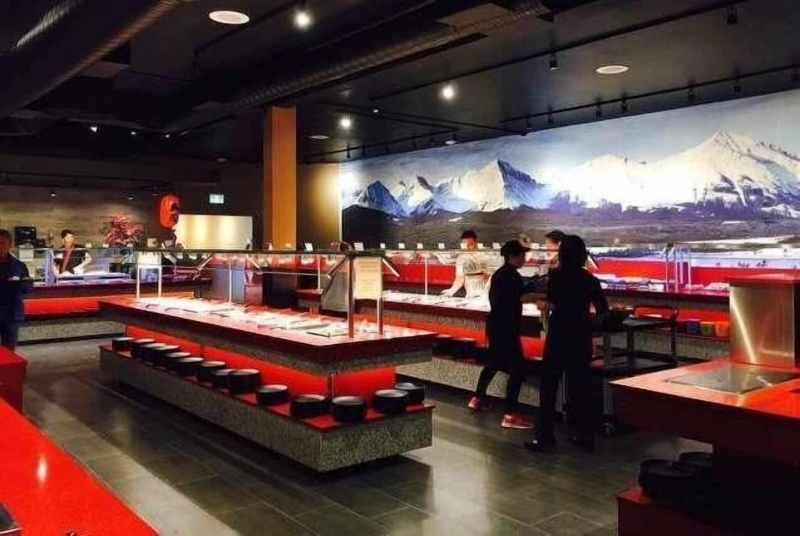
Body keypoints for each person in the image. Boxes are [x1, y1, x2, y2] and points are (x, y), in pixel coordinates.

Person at [526, 235, 608, 452]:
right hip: (580, 335)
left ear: (562, 254)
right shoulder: (590, 279)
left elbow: (552, 301)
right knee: (581, 387)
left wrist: (546, 305)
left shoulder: (556, 276)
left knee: (549, 386)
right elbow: (603, 310)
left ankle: (545, 437)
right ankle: (584, 435)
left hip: (558, 334)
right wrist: (590, 324)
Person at [468, 240, 534, 429]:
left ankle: (477, 398)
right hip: (507, 328)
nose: (524, 258)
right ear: (513, 256)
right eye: (522, 255)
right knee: (517, 370)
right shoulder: (512, 275)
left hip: (496, 326)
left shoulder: (500, 274)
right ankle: (510, 415)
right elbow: (522, 294)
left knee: (493, 363)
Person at [0, 229, 31, 350]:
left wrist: (22, 283)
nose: (0, 247)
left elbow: (27, 289)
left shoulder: (19, 265)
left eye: (3, 243)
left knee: (9, 349)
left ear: (10, 245)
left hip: (12, 313)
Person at [442, 230, 488, 298]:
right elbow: (460, 277)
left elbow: (491, 276)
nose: (468, 248)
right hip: (470, 295)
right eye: (465, 245)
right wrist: (451, 291)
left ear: (476, 241)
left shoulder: (487, 254)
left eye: (470, 245)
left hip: (486, 295)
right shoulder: (462, 257)